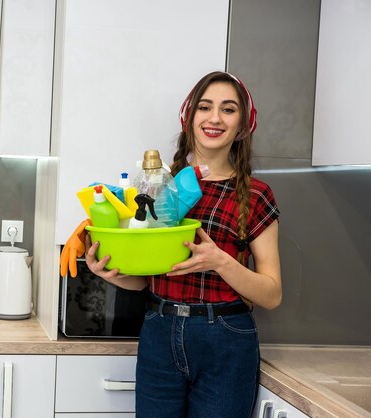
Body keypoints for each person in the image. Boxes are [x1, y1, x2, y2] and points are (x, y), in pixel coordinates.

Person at [84, 71, 282, 418]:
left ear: (243, 125)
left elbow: (271, 294)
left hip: (226, 339)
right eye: (205, 107)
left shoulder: (255, 195)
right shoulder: (157, 184)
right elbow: (147, 277)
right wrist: (108, 272)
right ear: (189, 118)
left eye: (228, 109)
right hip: (160, 331)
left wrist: (220, 261)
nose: (215, 118)